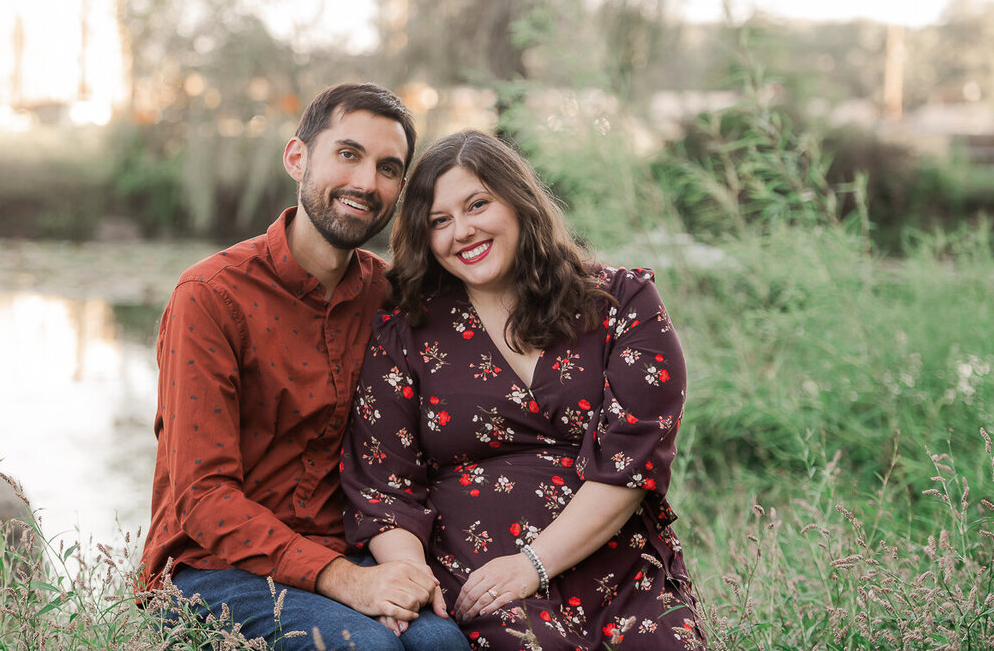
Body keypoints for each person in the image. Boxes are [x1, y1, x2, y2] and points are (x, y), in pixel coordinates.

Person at [341, 130, 704, 650]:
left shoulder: (622, 302)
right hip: (481, 582)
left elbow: (635, 458)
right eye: (439, 221)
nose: (461, 231)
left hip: (620, 567)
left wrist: (534, 563)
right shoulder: (406, 331)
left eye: (477, 204)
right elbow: (383, 486)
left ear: (518, 200)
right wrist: (408, 577)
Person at [141, 83, 469, 651]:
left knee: (442, 645)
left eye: (388, 168)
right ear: (298, 157)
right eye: (348, 154)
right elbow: (203, 499)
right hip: (210, 570)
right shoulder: (210, 296)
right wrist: (350, 584)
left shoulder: (388, 297)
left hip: (343, 551)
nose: (366, 182)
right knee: (368, 649)